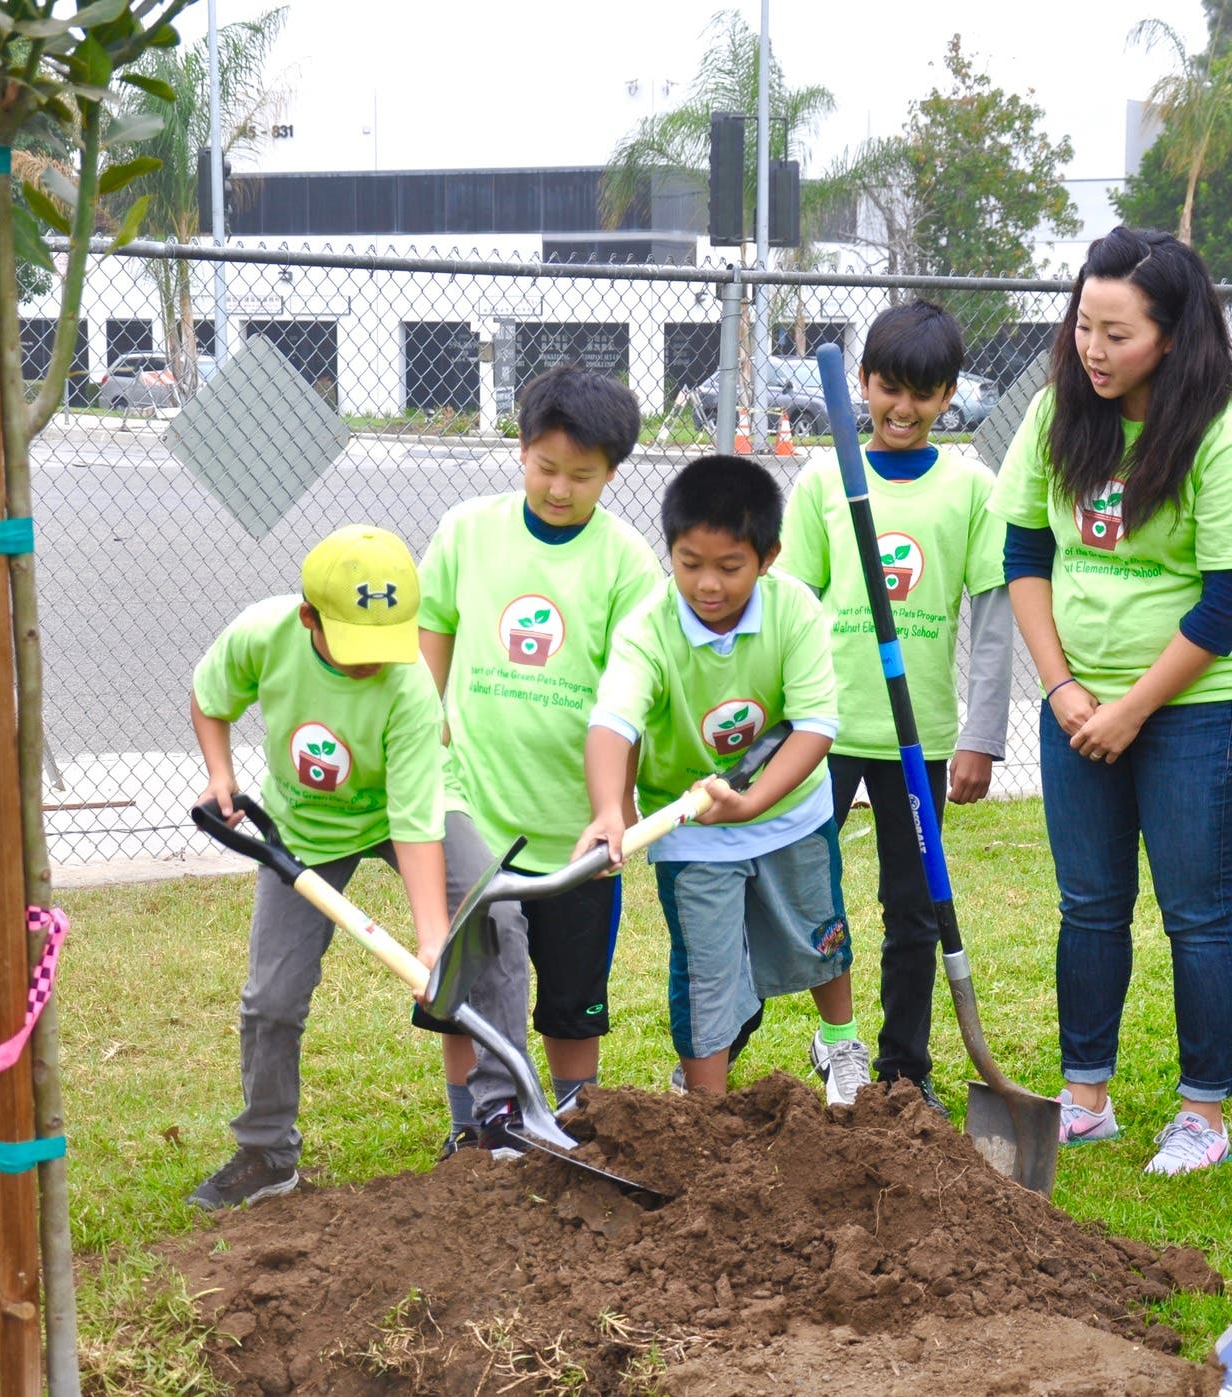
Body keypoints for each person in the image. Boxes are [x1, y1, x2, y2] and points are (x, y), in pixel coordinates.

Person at [988, 226, 1232, 1176]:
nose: (1093, 349)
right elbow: (1024, 555)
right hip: (1077, 704)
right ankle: (1085, 1097)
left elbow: (1228, 597)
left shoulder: (1224, 435)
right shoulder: (1053, 415)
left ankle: (1203, 1111)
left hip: (1196, 709)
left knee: (1195, 912)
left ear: (1175, 332)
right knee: (1088, 906)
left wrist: (1131, 708)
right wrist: (1064, 688)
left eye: (1118, 333)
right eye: (1084, 326)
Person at [186, 524, 530, 1207]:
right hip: (308, 827)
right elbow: (210, 695)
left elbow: (414, 821)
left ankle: (501, 1116)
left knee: (496, 915)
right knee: (271, 996)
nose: (373, 663)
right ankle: (265, 1152)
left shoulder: (406, 686)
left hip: (417, 802)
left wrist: (434, 939)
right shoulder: (263, 632)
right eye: (355, 647)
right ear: (309, 617)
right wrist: (218, 772)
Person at [775, 299, 1013, 1112]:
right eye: (886, 387)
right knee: (798, 888)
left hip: (919, 739)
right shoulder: (821, 477)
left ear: (948, 395)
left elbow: (990, 618)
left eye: (923, 392)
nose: (901, 409)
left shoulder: (970, 487)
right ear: (863, 384)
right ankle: (767, 1045)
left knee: (914, 911)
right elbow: (793, 603)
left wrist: (981, 735)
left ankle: (903, 1074)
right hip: (823, 730)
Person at [414, 365, 659, 1155]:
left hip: (574, 822)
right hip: (472, 807)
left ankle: (570, 1120)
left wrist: (612, 806)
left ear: (611, 473)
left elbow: (633, 689)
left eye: (581, 476)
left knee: (571, 996)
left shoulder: (626, 562)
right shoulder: (467, 531)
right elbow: (431, 641)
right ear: (520, 451)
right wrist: (424, 740)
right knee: (471, 987)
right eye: (546, 468)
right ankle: (471, 1126)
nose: (559, 488)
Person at [577, 454, 868, 1105]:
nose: (707, 584)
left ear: (767, 556)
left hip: (790, 811)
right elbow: (612, 721)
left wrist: (752, 802)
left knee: (818, 933)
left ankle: (841, 1043)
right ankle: (705, 1108)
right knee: (706, 972)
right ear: (671, 553)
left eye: (728, 567)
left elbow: (816, 725)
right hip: (691, 828)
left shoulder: (792, 608)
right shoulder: (648, 627)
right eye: (689, 563)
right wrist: (608, 809)